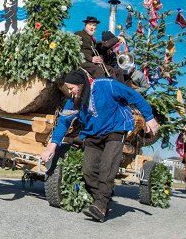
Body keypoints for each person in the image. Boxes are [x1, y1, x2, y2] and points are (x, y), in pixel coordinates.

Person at [40, 69, 159, 222]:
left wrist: (149, 117)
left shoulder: (107, 85)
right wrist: (52, 146)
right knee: (88, 171)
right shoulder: (74, 100)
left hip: (115, 129)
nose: (70, 92)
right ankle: (103, 200)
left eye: (71, 88)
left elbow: (133, 96)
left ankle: (100, 207)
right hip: (92, 134)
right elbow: (63, 122)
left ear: (81, 84)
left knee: (107, 167)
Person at [75, 16, 125, 81]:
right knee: (98, 70)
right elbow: (75, 50)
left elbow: (103, 47)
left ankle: (119, 89)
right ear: (85, 25)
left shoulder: (91, 39)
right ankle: (104, 88)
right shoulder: (79, 34)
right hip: (83, 61)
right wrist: (91, 58)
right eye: (90, 25)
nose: (92, 27)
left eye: (94, 25)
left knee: (117, 72)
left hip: (91, 62)